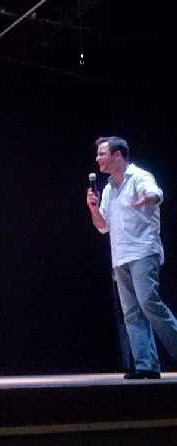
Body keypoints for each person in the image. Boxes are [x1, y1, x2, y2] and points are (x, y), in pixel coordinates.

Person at [86, 136, 177, 379]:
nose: (97, 159)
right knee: (131, 312)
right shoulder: (107, 189)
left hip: (143, 250)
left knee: (149, 302)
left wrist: (149, 199)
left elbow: (155, 193)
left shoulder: (139, 176)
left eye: (102, 154)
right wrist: (94, 209)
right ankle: (146, 365)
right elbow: (102, 226)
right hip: (120, 255)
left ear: (117, 155)